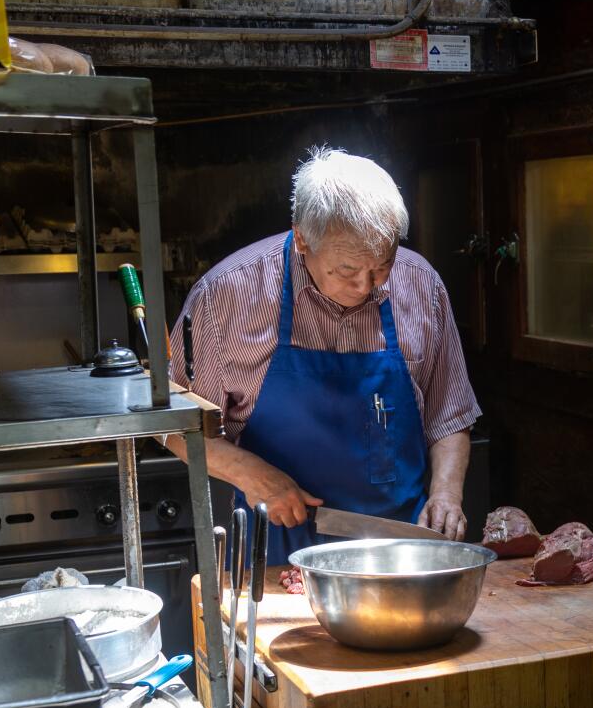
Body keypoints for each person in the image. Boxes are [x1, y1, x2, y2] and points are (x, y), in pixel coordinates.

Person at [166, 147, 480, 565]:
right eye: (348, 270)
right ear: (302, 240)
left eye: (383, 264)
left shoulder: (421, 284)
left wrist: (445, 494)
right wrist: (253, 475)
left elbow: (449, 417)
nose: (367, 285)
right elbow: (176, 426)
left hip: (402, 550)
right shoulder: (226, 296)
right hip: (276, 553)